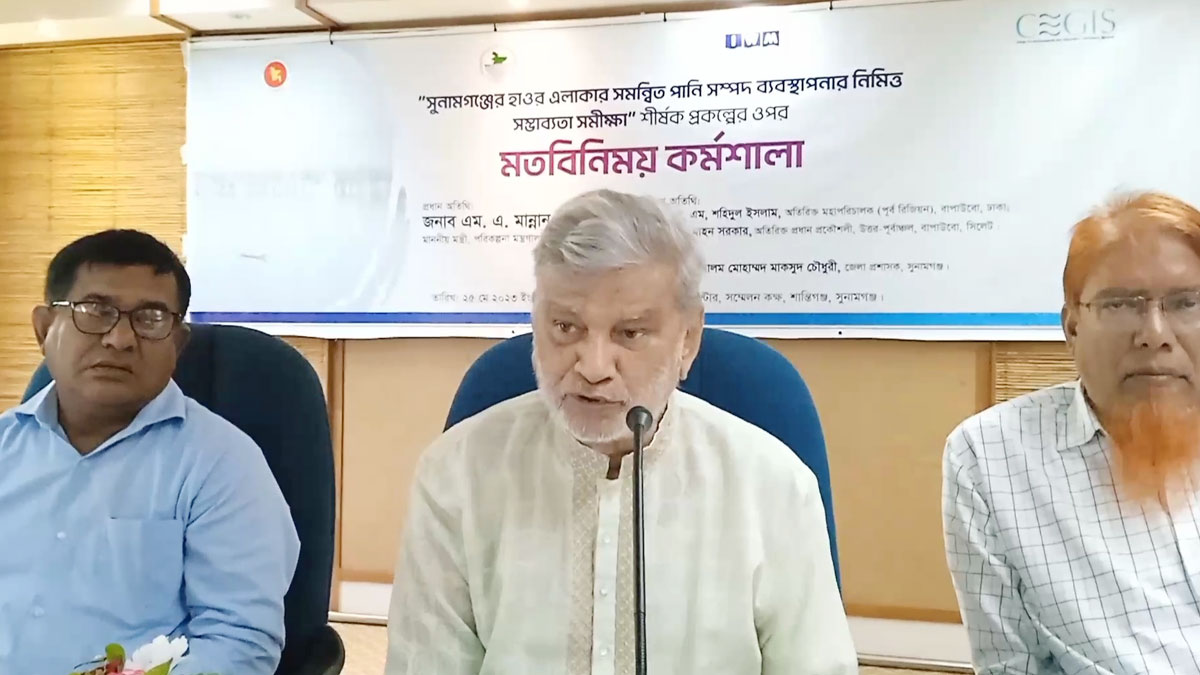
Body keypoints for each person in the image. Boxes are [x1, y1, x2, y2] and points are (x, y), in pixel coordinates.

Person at [384, 189, 856, 675]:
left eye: (630, 334)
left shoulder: (773, 486)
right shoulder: (456, 475)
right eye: (565, 327)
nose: (592, 367)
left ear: (688, 339)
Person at [0, 230, 300, 675]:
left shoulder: (223, 464)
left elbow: (239, 642)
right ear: (45, 329)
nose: (120, 338)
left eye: (151, 318)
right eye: (95, 310)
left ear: (177, 344)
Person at [943, 191, 1200, 674]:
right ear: (1073, 328)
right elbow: (1009, 664)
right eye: (1121, 304)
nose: (1155, 334)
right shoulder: (992, 457)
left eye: (1186, 303)